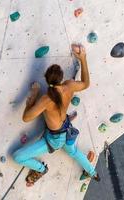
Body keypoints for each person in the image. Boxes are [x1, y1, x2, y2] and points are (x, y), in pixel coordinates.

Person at [13, 44, 99, 186]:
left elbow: (26, 117)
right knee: (73, 152)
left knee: (18, 157)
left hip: (54, 140)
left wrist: (33, 95)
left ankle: (41, 169)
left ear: (47, 79)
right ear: (61, 78)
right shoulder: (69, 86)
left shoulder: (46, 100)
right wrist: (83, 58)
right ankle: (92, 172)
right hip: (67, 130)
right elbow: (85, 83)